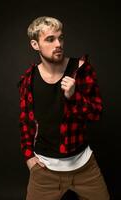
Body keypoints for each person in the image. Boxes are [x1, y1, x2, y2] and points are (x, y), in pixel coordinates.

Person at [18, 16, 110, 200]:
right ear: (35, 44)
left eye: (61, 38)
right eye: (50, 39)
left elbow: (97, 114)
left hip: (84, 167)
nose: (58, 44)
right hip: (45, 171)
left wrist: (74, 96)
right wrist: (29, 156)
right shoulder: (28, 79)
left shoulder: (82, 70)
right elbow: (25, 121)